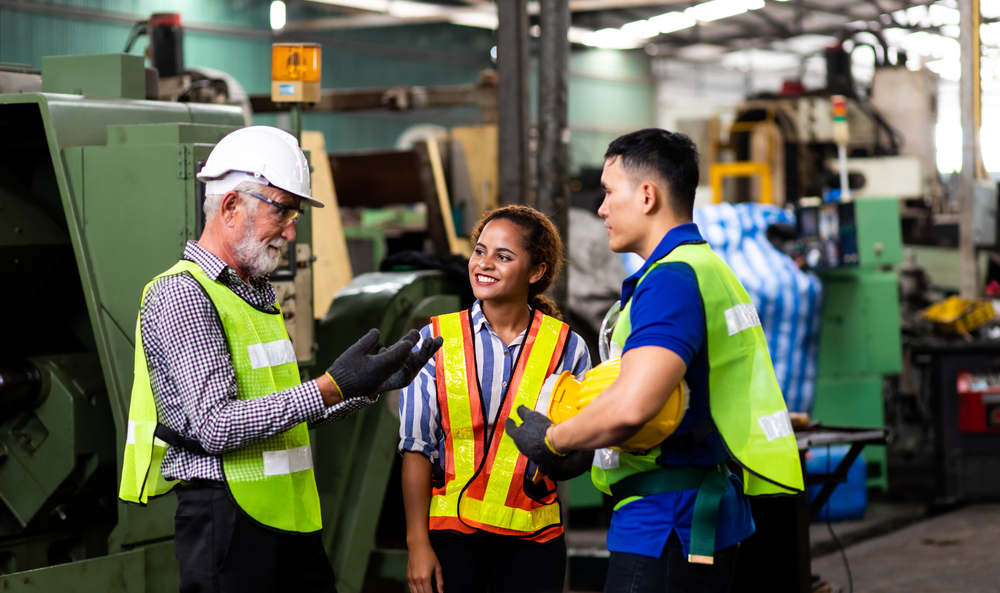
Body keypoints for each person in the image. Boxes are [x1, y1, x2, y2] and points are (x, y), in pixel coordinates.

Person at [118, 125, 441, 593]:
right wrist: (331, 385)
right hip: (227, 522)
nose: (291, 231)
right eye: (282, 211)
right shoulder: (183, 294)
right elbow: (216, 426)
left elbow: (284, 414)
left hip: (287, 517)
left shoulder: (254, 295)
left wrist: (369, 387)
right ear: (230, 206)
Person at [507, 129, 804, 593]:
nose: (601, 209)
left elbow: (635, 403)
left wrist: (556, 439)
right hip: (696, 513)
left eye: (608, 193)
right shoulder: (707, 266)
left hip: (668, 524)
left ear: (647, 195)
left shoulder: (671, 281)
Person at [399, 205, 593, 593]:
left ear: (535, 271)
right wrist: (417, 543)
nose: (484, 264)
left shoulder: (568, 348)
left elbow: (581, 442)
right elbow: (415, 449)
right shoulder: (435, 340)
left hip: (533, 545)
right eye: (479, 251)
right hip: (450, 540)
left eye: (503, 256)